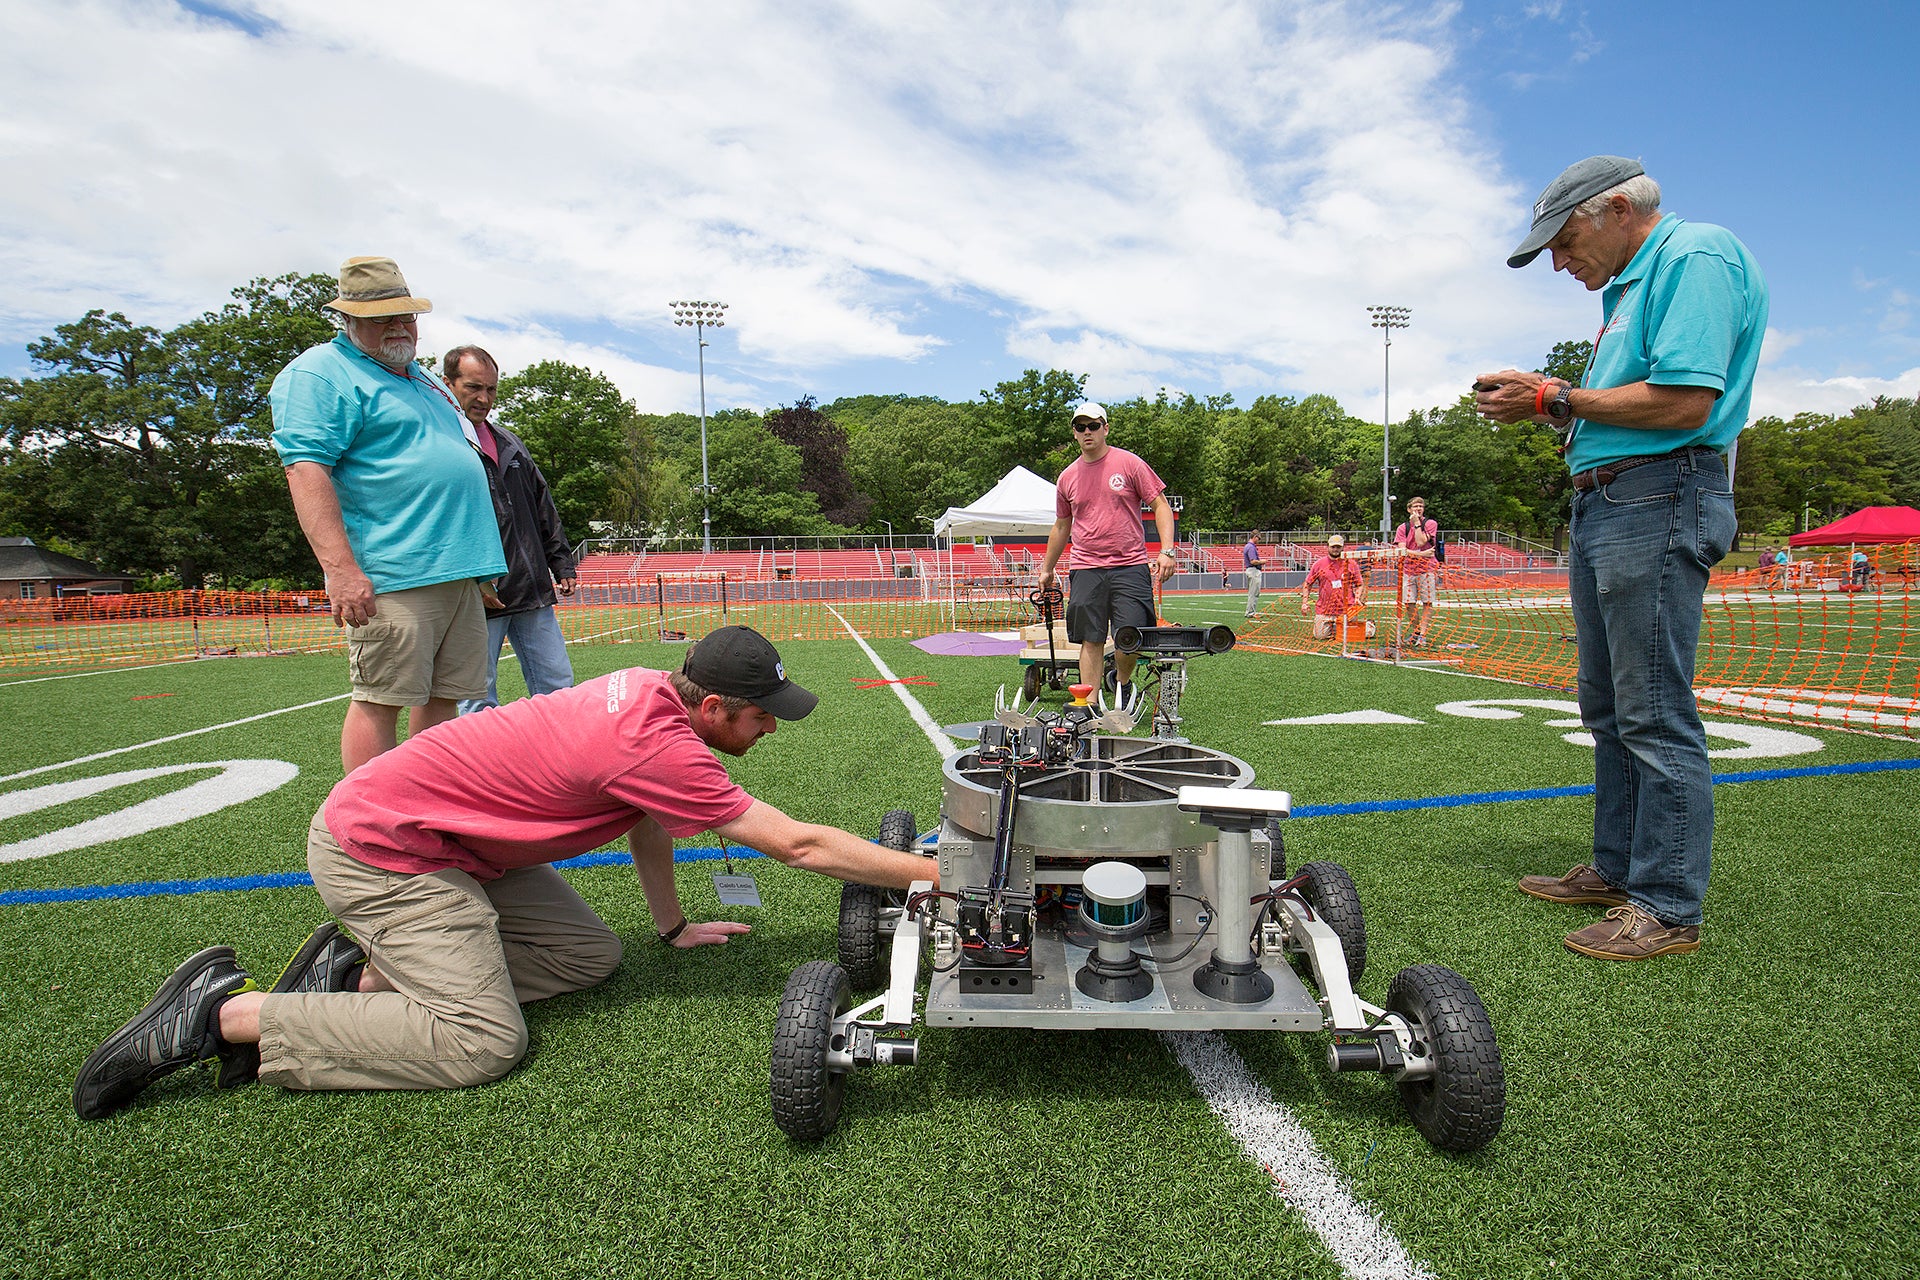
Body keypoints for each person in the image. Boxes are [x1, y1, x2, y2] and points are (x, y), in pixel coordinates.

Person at [73, 626, 942, 1119]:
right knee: (480, 1043)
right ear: (711, 706)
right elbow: (797, 847)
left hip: (453, 850)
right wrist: (927, 874)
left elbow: (649, 816)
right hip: (386, 853)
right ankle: (225, 1015)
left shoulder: (649, 691)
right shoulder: (651, 738)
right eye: (762, 716)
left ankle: (363, 970)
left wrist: (672, 925)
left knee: (588, 959)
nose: (772, 729)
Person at [1476, 156, 1767, 961]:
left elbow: (1683, 400)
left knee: (1650, 710)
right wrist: (1556, 394)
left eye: (1565, 241)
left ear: (1615, 209)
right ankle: (1619, 868)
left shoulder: (1694, 256)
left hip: (1659, 494)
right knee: (1609, 709)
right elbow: (1634, 400)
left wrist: (1552, 398)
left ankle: (1666, 905)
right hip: (1616, 500)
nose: (1562, 262)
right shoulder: (1636, 286)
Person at [271, 257, 506, 774]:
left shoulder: (421, 379)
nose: (399, 327)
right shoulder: (319, 373)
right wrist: (340, 569)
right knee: (380, 701)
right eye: (382, 318)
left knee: (445, 701)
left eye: (406, 316)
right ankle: (369, 831)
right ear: (347, 320)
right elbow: (306, 470)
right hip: (396, 572)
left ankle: (426, 813)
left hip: (457, 572)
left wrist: (480, 567)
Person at [441, 346, 579, 714]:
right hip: (476, 596)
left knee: (558, 688)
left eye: (491, 389)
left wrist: (561, 562)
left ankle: (561, 766)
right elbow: (442, 520)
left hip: (531, 590)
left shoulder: (510, 442)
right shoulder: (440, 443)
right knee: (476, 698)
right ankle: (481, 771)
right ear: (447, 384)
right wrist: (475, 576)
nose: (483, 399)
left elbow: (541, 505)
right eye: (472, 387)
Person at [1037, 402, 1178, 711]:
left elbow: (1161, 506)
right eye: (1080, 427)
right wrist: (1047, 568)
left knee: (1130, 636)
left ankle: (1123, 683)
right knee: (1091, 638)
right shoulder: (1068, 477)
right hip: (1086, 568)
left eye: (1093, 426)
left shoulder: (1129, 464)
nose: (1087, 432)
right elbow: (1062, 525)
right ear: (1074, 433)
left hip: (1130, 565)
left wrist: (1167, 550)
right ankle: (1086, 704)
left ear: (1105, 428)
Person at [1299, 534, 1366, 640]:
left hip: (1346, 609)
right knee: (1320, 636)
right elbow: (1307, 584)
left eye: (1338, 547)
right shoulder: (1319, 564)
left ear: (1343, 547)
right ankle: (1336, 629)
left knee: (1354, 635)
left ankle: (1369, 626)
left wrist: (1357, 598)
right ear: (1328, 546)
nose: (1335, 549)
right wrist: (1304, 602)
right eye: (1333, 547)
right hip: (1325, 610)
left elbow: (1359, 584)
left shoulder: (1351, 564)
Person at [1393, 497, 1440, 646]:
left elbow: (1421, 542)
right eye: (1415, 506)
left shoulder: (1430, 524)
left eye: (1421, 506)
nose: (1418, 508)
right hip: (1408, 570)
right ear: (1409, 509)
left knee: (1427, 602)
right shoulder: (1403, 528)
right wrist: (1421, 554)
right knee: (1409, 602)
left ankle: (1422, 635)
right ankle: (1417, 631)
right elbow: (1402, 551)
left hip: (1427, 569)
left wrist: (1418, 524)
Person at [1242, 534, 1265, 618]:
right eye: (1258, 539)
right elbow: (1253, 561)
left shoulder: (1247, 546)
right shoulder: (1251, 547)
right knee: (1254, 592)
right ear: (1255, 537)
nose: (1258, 541)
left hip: (1251, 570)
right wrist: (1262, 561)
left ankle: (1250, 611)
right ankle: (1250, 612)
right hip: (1253, 571)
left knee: (1253, 592)